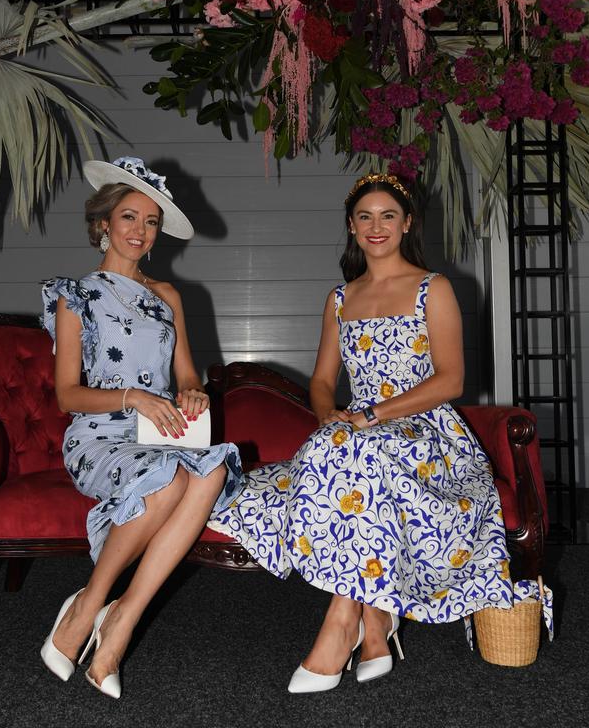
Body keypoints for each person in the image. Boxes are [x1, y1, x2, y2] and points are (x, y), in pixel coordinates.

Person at [210, 173, 512, 692]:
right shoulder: (340, 298)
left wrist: (372, 417)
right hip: (355, 430)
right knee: (343, 453)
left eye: (388, 216)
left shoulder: (432, 288)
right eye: (365, 217)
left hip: (427, 430)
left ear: (407, 223)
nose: (377, 227)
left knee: (360, 452)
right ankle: (376, 624)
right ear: (351, 226)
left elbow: (451, 379)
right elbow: (323, 381)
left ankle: (342, 624)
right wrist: (329, 414)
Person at [40, 156, 242, 698]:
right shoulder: (75, 295)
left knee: (212, 471)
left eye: (150, 222)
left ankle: (122, 618)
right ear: (103, 223)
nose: (139, 231)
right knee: (172, 480)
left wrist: (192, 392)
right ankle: (89, 604)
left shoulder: (168, 298)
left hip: (159, 435)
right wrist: (133, 398)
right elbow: (66, 395)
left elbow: (184, 377)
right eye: (129, 217)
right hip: (99, 436)